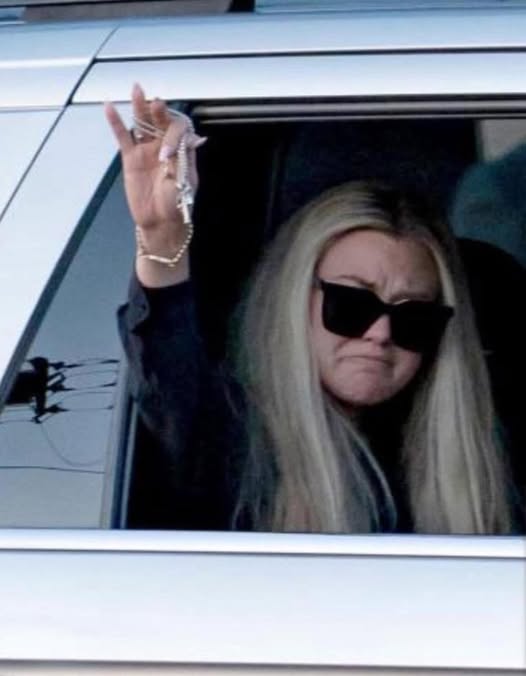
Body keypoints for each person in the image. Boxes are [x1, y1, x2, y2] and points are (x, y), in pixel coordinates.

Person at [106, 85, 521, 534]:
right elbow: (171, 368)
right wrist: (162, 240)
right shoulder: (234, 439)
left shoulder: (472, 451)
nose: (380, 333)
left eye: (413, 318)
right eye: (352, 304)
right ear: (294, 299)